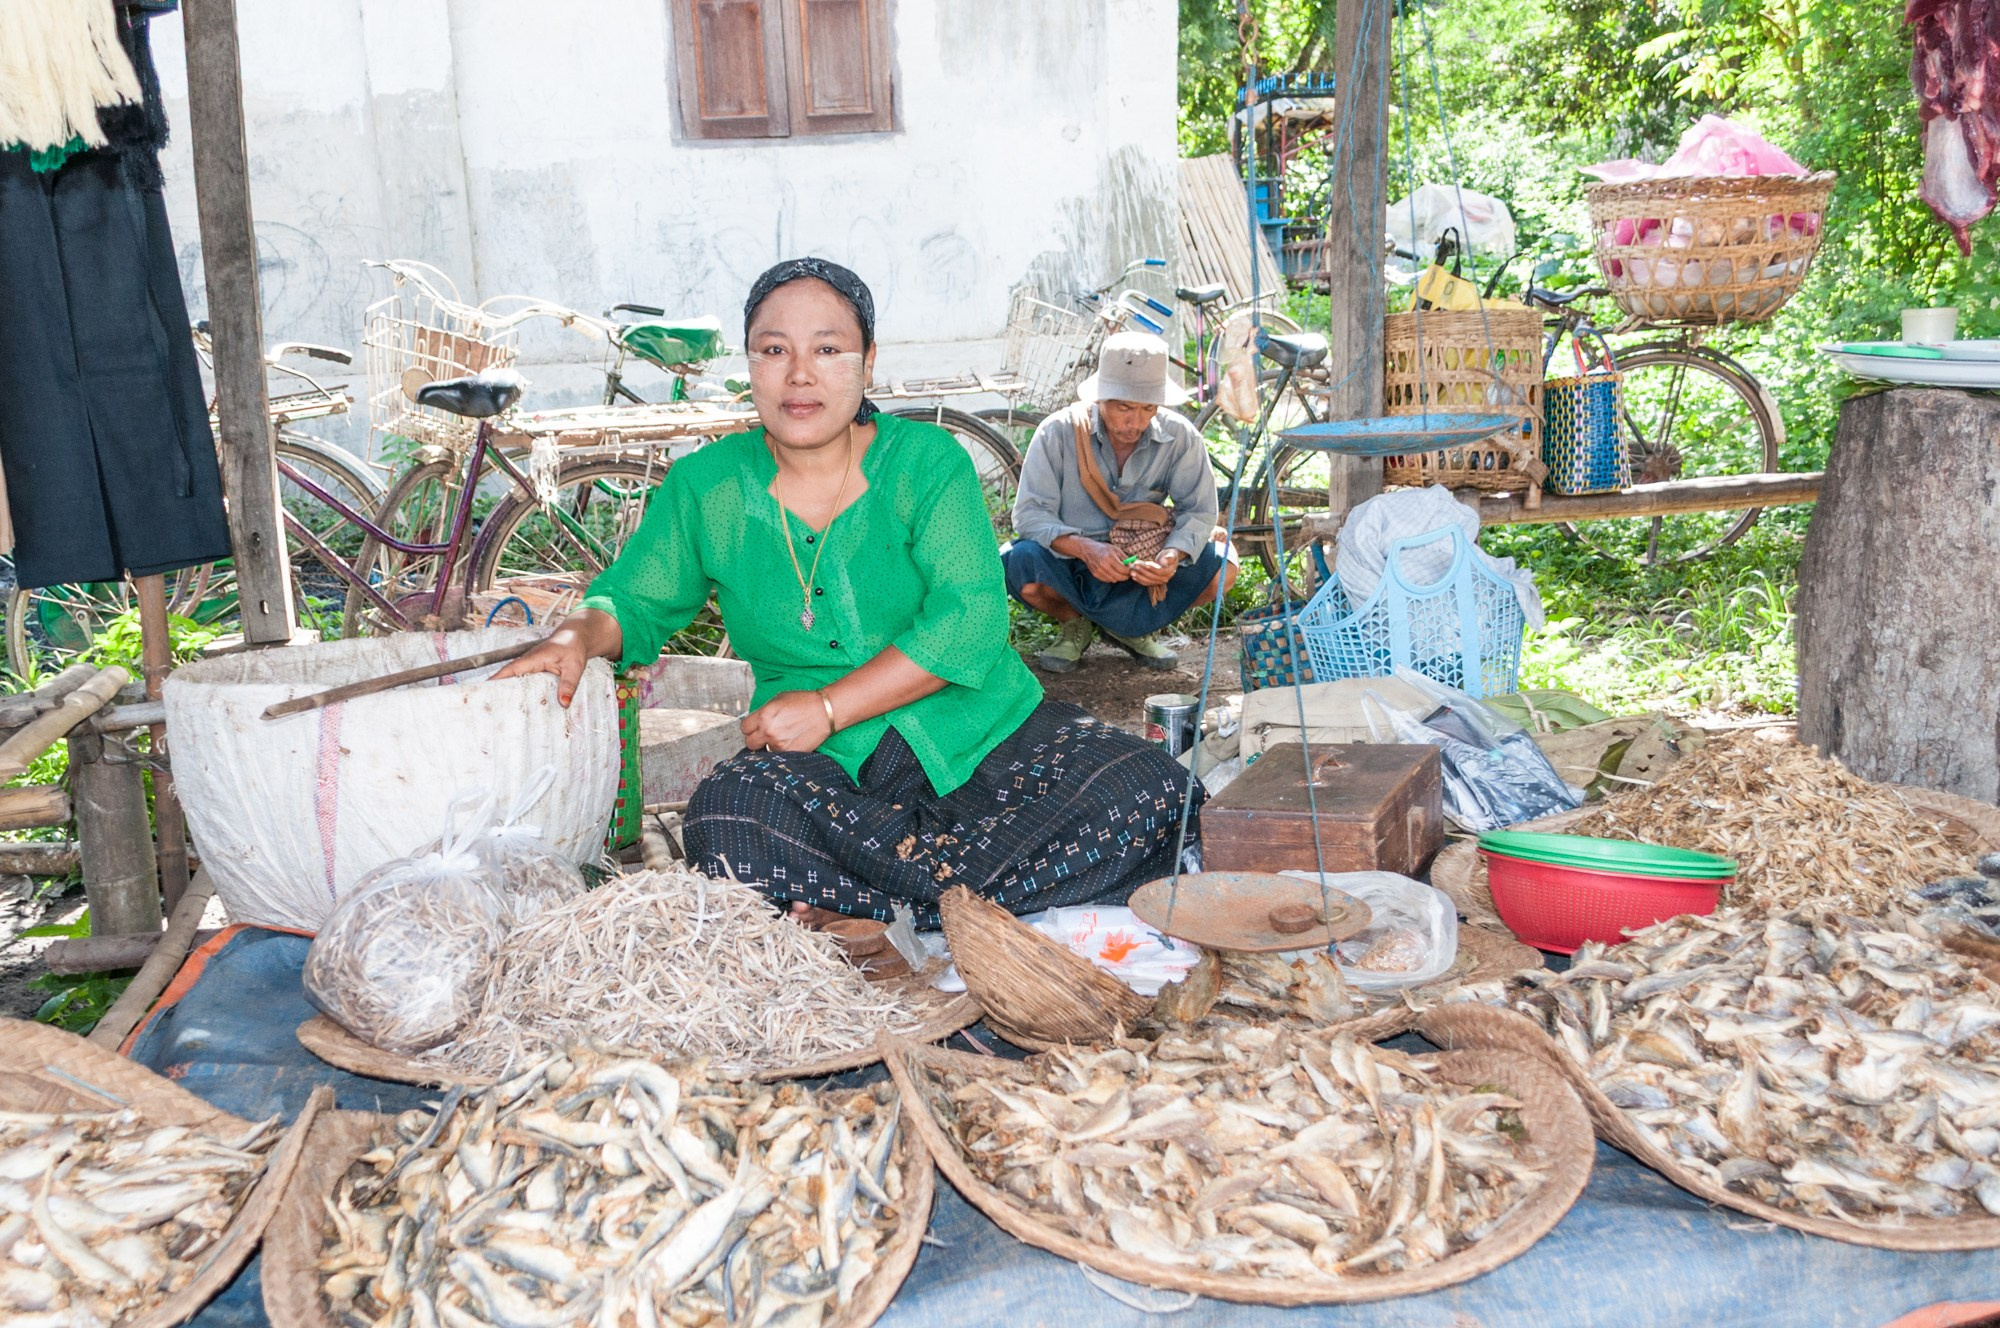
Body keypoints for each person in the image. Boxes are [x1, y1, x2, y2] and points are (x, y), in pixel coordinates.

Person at [496, 259, 1202, 929]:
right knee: (730, 816)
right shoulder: (705, 486)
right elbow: (638, 599)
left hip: (979, 731)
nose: (799, 374)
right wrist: (578, 634)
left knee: (1149, 791)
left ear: (866, 364)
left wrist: (830, 707)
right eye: (773, 350)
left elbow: (972, 623)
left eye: (828, 350)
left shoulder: (928, 463)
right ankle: (949, 902)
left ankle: (867, 903)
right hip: (826, 771)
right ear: (749, 365)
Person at [1003, 330, 1238, 674]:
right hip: (1072, 562)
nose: (1137, 422)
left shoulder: (1180, 437)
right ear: (1101, 398)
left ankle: (1131, 629)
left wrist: (1171, 555)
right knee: (1018, 561)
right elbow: (1029, 514)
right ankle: (1075, 623)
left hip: (1141, 569)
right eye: (1125, 407)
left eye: (1148, 408)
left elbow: (1199, 511)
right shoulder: (1057, 433)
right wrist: (1086, 549)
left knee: (1223, 568)